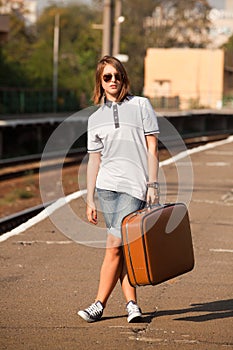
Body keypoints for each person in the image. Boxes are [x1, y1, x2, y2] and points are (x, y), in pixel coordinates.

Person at [77, 55, 160, 323]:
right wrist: (90, 198)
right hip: (107, 188)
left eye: (117, 76)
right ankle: (132, 305)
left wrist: (152, 184)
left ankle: (98, 304)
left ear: (124, 77)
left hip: (134, 187)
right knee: (122, 247)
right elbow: (94, 160)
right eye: (107, 77)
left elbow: (152, 148)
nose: (113, 81)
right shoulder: (95, 118)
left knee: (113, 245)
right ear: (100, 82)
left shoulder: (141, 105)